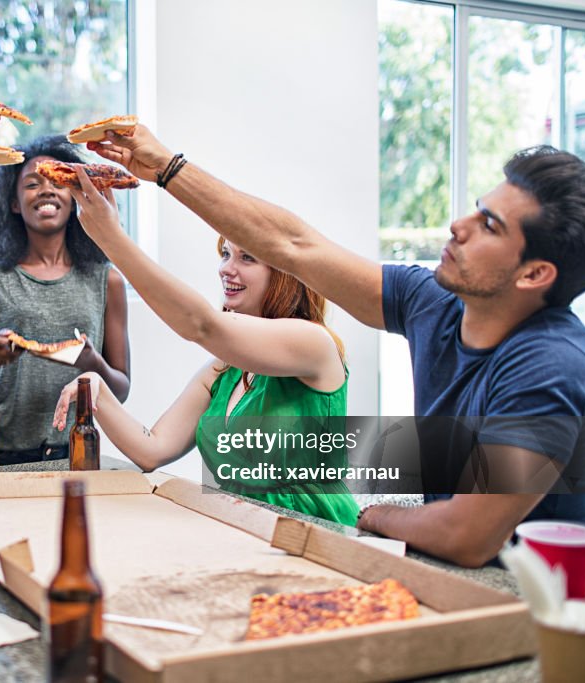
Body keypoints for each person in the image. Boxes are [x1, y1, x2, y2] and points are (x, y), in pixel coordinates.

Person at [88, 124, 585, 586]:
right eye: (476, 210)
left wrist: (373, 517)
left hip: (554, 608)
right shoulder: (432, 301)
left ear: (535, 274)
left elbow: (466, 535)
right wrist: (165, 167)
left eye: (489, 226)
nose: (459, 225)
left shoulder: (551, 366)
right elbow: (294, 246)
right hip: (458, 577)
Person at [53, 168, 357, 524]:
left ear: (285, 273)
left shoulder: (313, 343)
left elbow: (200, 324)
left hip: (320, 540)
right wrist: (98, 391)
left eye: (247, 258)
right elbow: (153, 449)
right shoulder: (222, 370)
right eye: (225, 253)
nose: (226, 269)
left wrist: (112, 240)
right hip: (244, 537)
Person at [0, 135, 131, 468]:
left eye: (58, 182)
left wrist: (92, 363)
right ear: (14, 203)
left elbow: (119, 391)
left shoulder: (107, 281)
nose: (46, 190)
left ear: (74, 194)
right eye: (32, 184)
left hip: (68, 457)